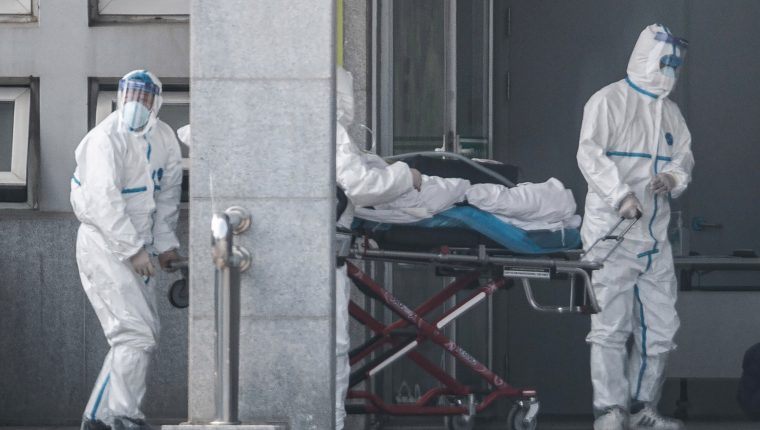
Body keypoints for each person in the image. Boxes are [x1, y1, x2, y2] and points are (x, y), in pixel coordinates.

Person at [577, 24, 694, 430]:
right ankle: (610, 411)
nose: (671, 70)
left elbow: (683, 159)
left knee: (661, 328)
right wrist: (620, 195)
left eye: (676, 64)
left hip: (655, 238)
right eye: (665, 61)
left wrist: (673, 180)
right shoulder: (608, 101)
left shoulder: (671, 113)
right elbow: (590, 155)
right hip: (612, 234)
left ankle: (642, 408)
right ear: (646, 57)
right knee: (610, 326)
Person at [70, 69, 184, 430]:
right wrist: (133, 250)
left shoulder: (164, 139)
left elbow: (167, 199)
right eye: (131, 95)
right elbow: (104, 203)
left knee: (139, 333)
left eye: (145, 96)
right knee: (134, 333)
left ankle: (99, 418)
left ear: (157, 101)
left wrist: (165, 248)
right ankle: (122, 415)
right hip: (104, 244)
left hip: (140, 248)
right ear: (120, 96)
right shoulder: (104, 139)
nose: (137, 103)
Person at [334, 66, 421, 429]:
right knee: (333, 347)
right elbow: (362, 187)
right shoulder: (330, 131)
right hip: (324, 255)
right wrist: (405, 175)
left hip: (314, 249)